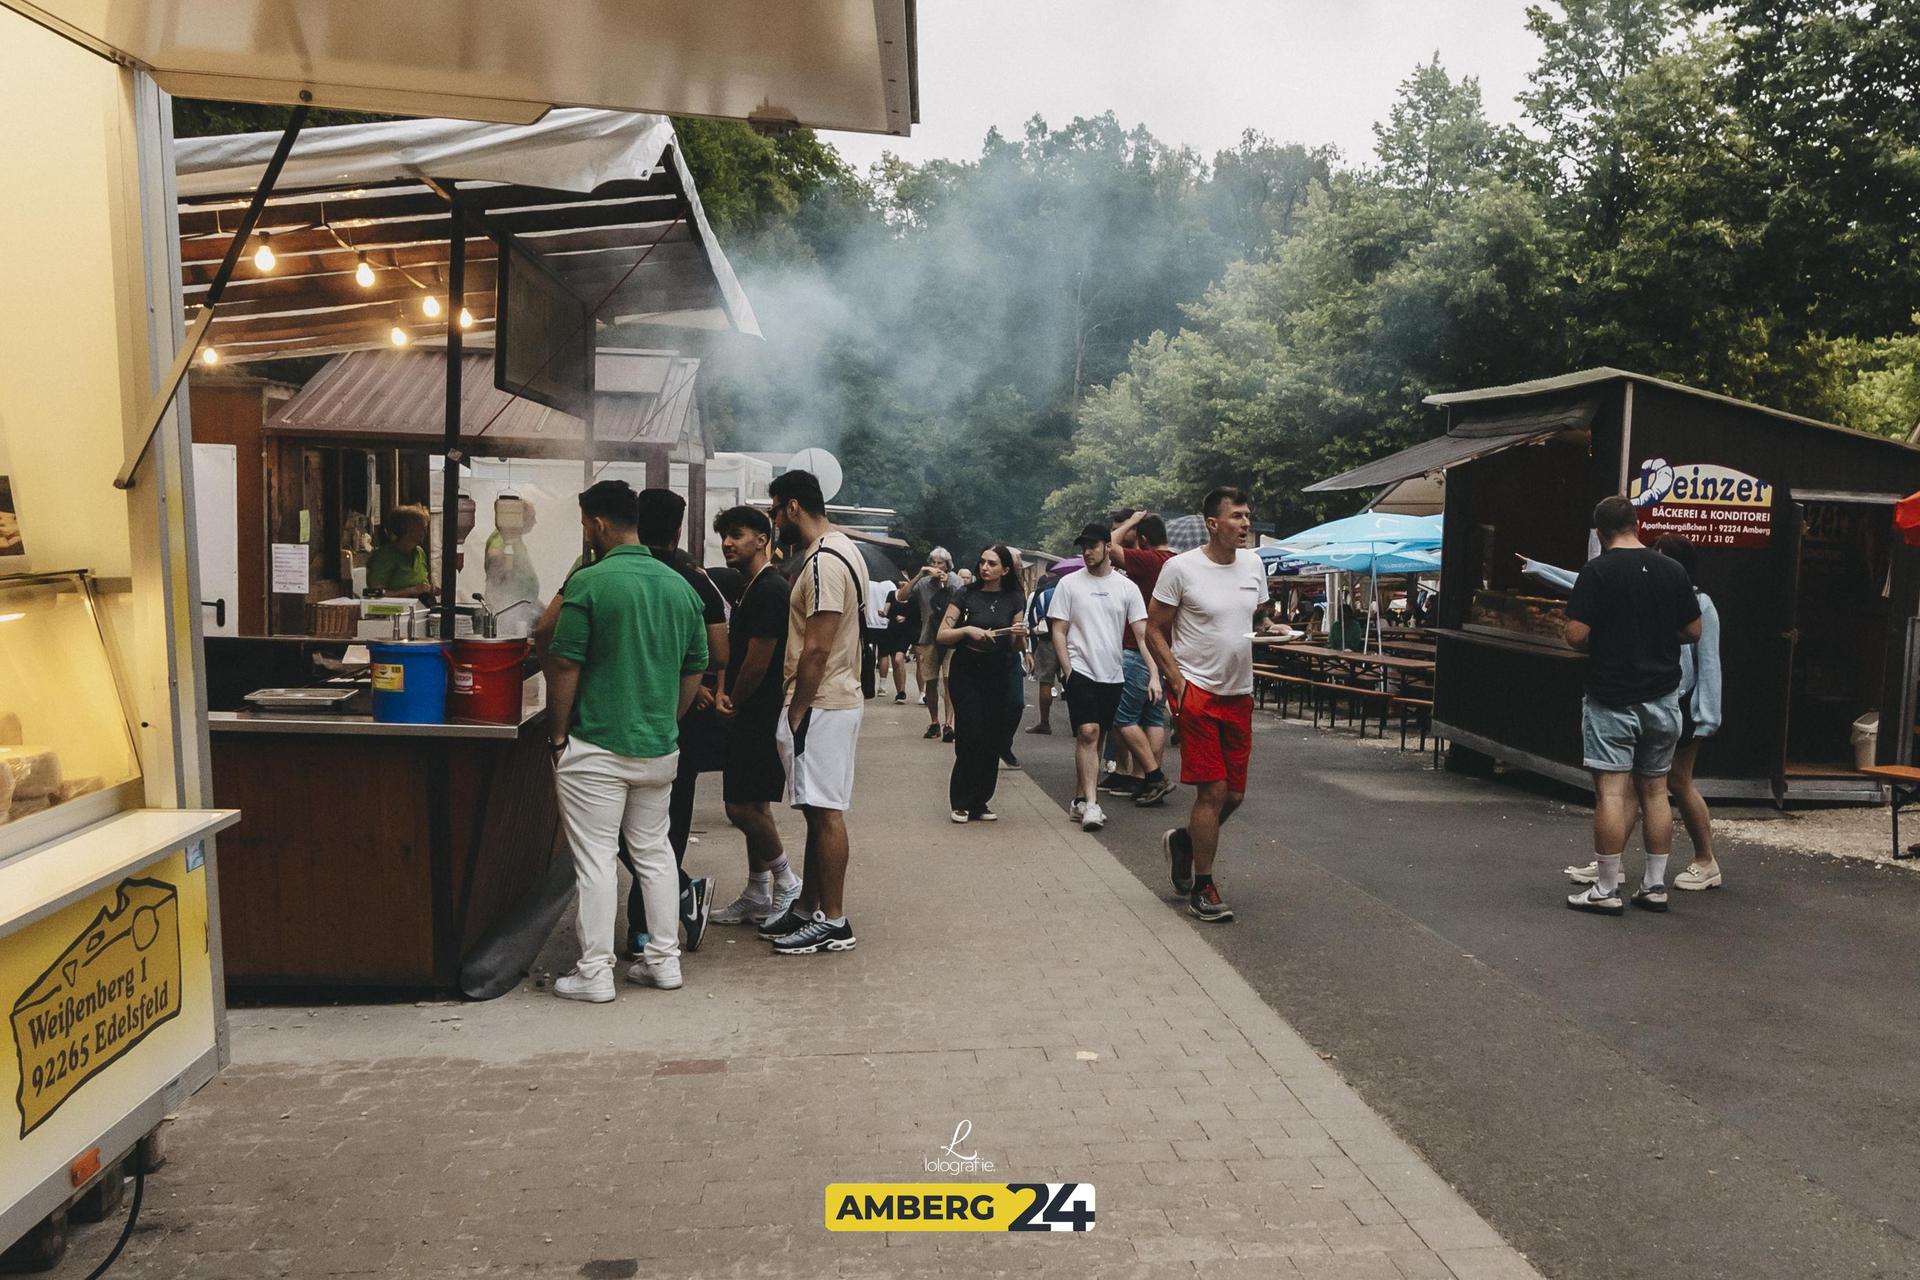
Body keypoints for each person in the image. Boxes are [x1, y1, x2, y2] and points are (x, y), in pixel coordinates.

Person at [544, 480, 708, 1002]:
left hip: (596, 746)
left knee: (594, 861)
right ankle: (663, 961)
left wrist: (558, 732)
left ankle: (594, 972)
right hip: (658, 748)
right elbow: (696, 666)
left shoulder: (589, 582)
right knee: (654, 853)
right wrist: (667, 718)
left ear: (596, 524)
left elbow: (564, 661)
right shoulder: (680, 586)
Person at [1561, 496, 1703, 916]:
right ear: (1636, 524)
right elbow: (1693, 630)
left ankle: (1606, 888)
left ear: (1600, 532)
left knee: (1611, 791)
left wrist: (1608, 633)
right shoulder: (1673, 570)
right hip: (1662, 698)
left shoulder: (1597, 571)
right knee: (1656, 791)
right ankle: (1655, 885)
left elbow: (1574, 634)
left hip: (1612, 696)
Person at [1146, 487, 1267, 924]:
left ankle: (1183, 841)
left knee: (1234, 795)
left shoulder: (1254, 564)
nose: (1246, 524)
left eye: (1247, 516)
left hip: (1240, 693)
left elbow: (1259, 616)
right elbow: (1154, 629)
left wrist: (1278, 628)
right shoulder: (1180, 568)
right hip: (1197, 692)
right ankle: (1204, 886)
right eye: (1236, 517)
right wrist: (1177, 681)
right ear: (1212, 524)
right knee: (1212, 791)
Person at [618, 488, 728, 956]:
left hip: (619, 709)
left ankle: (648, 923)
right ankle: (672, 900)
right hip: (684, 713)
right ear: (679, 528)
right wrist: (699, 682)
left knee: (617, 825)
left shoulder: (608, 570)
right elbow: (720, 652)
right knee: (668, 824)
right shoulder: (696, 579)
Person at [759, 470, 865, 955]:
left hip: (822, 703)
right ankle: (807, 910)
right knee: (816, 810)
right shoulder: (844, 549)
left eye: (776, 508)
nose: (774, 519)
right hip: (832, 700)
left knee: (826, 813)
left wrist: (796, 712)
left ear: (794, 507)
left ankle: (835, 921)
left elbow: (817, 649)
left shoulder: (825, 562)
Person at [708, 505, 805, 926]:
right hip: (756, 709)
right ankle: (757, 889)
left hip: (760, 711)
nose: (728, 542)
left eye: (737, 534)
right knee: (754, 803)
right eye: (725, 535)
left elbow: (758, 660)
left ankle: (787, 881)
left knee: (739, 808)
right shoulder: (751, 586)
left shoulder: (769, 589)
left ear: (762, 539)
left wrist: (733, 699)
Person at [1049, 522, 1154, 834]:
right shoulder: (1069, 584)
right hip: (1080, 670)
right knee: (1088, 732)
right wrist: (1068, 671)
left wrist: (1156, 674)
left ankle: (1081, 797)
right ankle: (1092, 805)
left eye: (1093, 545)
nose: (1087, 551)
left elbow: (1143, 635)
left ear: (1108, 547)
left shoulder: (1127, 588)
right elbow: (1058, 630)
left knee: (1099, 736)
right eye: (1084, 545)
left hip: (1112, 673)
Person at [939, 544, 1029, 822]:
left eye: (991, 563)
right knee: (971, 732)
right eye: (982, 562)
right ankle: (961, 799)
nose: (985, 567)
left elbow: (1015, 645)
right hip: (967, 668)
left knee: (992, 735)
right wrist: (967, 630)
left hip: (998, 668)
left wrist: (1020, 635)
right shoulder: (965, 593)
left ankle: (981, 800)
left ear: (1005, 569)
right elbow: (943, 634)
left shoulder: (1015, 597)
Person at [1108, 512, 1176, 806]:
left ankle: (1153, 775)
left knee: (1122, 717)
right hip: (1164, 651)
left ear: (1144, 539)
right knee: (1152, 717)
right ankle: (1144, 780)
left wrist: (1129, 522)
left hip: (1138, 647)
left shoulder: (1149, 560)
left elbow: (1108, 546)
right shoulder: (1176, 563)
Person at [909, 549, 958, 741]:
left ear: (948, 566)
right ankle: (934, 722)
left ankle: (949, 724)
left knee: (948, 681)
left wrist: (946, 584)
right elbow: (902, 596)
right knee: (930, 680)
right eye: (934, 563)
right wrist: (920, 574)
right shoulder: (922, 584)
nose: (937, 567)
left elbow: (962, 602)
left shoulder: (955, 581)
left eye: (941, 563)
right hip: (928, 637)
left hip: (950, 638)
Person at [482, 494, 542, 632]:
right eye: (532, 517)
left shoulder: (516, 539)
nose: (535, 522)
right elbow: (494, 554)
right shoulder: (503, 535)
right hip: (507, 610)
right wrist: (505, 578)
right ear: (520, 517)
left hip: (521, 608)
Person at [365, 503, 434, 600]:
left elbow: (422, 585)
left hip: (420, 610)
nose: (425, 532)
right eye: (421, 527)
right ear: (407, 528)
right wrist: (411, 590)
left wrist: (429, 589)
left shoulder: (419, 553)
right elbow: (374, 593)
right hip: (394, 611)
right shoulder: (385, 556)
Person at [1024, 571, 1063, 734]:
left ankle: (1045, 722)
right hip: (1070, 641)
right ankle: (1078, 725)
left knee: (1046, 682)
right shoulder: (1073, 591)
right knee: (1073, 681)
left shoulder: (1043, 593)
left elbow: (1033, 618)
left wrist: (1030, 647)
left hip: (1047, 642)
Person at [880, 573, 916, 703]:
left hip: (906, 631)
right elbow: (886, 611)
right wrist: (885, 614)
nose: (903, 583)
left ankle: (902, 690)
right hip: (892, 630)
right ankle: (900, 691)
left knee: (898, 658)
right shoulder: (891, 594)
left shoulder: (913, 597)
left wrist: (906, 618)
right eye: (901, 581)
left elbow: (916, 613)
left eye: (906, 581)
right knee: (895, 662)